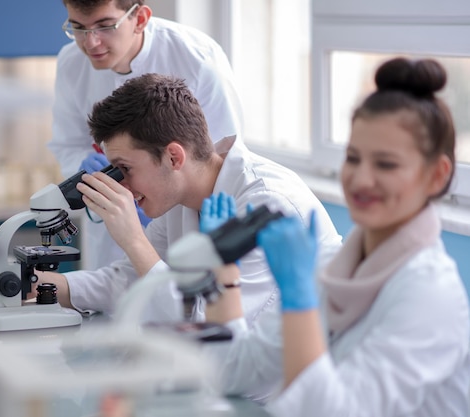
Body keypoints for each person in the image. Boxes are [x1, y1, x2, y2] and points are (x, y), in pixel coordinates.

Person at [203, 57, 470, 415]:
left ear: (437, 175)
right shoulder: (333, 265)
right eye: (353, 158)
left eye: (386, 164)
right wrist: (223, 272)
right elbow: (233, 372)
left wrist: (299, 300)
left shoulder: (429, 294)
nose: (360, 179)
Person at [27, 73, 342, 327]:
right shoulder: (179, 198)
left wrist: (134, 240)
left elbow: (208, 321)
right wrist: (49, 285)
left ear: (173, 156)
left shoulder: (267, 206)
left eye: (124, 168)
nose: (120, 182)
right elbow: (133, 281)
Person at [47, 0, 243, 270]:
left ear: (139, 18)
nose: (90, 43)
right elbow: (67, 143)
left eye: (105, 26)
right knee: (116, 290)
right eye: (78, 28)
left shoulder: (197, 57)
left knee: (185, 301)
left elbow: (219, 158)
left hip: (188, 226)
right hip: (110, 239)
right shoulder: (71, 63)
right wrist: (90, 172)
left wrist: (161, 200)